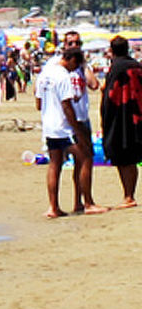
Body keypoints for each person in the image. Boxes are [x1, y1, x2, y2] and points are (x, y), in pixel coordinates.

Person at [36, 42, 105, 217]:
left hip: (49, 126)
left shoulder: (44, 74)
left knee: (55, 164)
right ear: (71, 60)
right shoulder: (63, 76)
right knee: (85, 157)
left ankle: (53, 207)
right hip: (64, 127)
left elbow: (38, 103)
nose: (75, 69)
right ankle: (87, 202)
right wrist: (76, 129)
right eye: (75, 65)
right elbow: (67, 106)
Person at [100, 36, 142, 209]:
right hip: (137, 117)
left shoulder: (116, 68)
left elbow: (111, 96)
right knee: (132, 157)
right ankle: (129, 194)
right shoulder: (136, 66)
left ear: (112, 50)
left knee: (123, 157)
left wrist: (105, 119)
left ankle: (128, 196)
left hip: (121, 117)